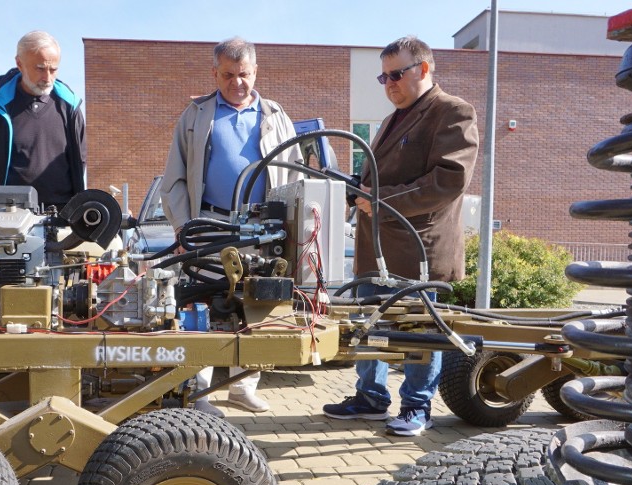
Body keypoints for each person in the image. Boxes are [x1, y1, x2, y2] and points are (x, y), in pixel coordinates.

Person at [323, 35, 479, 436]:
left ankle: (417, 406)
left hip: (418, 248)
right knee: (370, 323)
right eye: (383, 77)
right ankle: (371, 397)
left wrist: (382, 200)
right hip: (375, 250)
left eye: (397, 74)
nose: (389, 83)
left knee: (418, 329)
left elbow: (449, 180)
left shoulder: (452, 111)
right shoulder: (395, 117)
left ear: (424, 68)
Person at [161, 36, 302, 418]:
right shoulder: (195, 116)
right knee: (203, 304)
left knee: (256, 304)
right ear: (215, 72)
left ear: (255, 71)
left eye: (244, 74)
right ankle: (199, 391)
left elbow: (296, 176)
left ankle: (243, 387)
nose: (237, 83)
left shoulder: (276, 117)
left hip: (263, 229)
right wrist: (182, 229)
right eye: (228, 75)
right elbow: (172, 180)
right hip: (210, 224)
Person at [0, 31, 86, 208]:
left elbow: (80, 159)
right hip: (9, 215)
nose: (47, 78)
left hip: (63, 215)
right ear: (19, 63)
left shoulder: (70, 107)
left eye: (53, 69)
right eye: (40, 68)